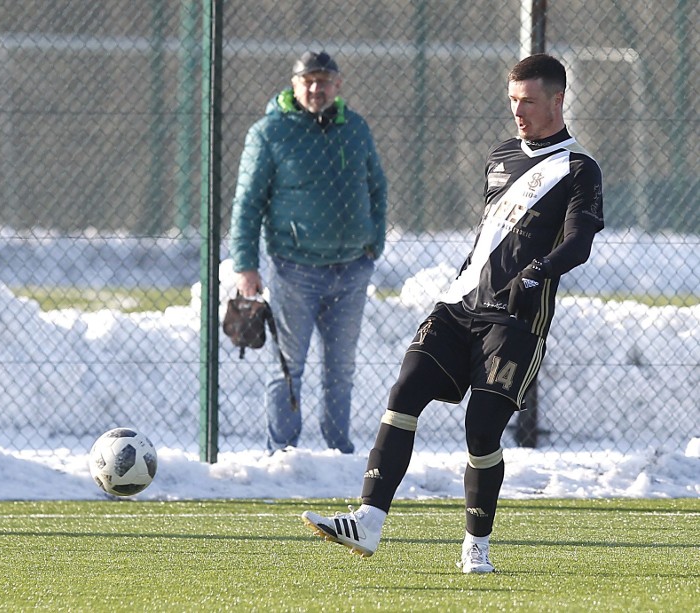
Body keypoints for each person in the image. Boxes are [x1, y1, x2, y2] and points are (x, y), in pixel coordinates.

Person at [301, 54, 604, 572]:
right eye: (512, 101)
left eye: (528, 101)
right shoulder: (501, 157)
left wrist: (540, 270)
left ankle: (476, 547)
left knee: (482, 430)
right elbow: (489, 237)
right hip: (459, 305)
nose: (518, 111)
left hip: (515, 320)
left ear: (557, 100)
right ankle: (368, 521)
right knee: (405, 390)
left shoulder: (579, 169)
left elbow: (579, 241)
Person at [229, 51, 387, 454]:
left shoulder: (355, 128)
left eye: (324, 81)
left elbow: (377, 186)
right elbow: (247, 202)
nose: (316, 89)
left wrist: (373, 243)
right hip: (294, 270)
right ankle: (283, 453)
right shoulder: (269, 133)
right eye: (308, 81)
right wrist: (246, 265)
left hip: (352, 268)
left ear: (339, 85)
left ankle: (339, 450)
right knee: (287, 368)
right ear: (294, 84)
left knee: (341, 370)